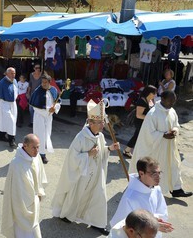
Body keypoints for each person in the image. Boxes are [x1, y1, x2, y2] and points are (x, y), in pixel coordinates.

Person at [51, 99, 120, 236]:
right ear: (90, 122)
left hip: (96, 175)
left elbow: (101, 151)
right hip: (82, 174)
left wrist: (109, 148)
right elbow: (72, 158)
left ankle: (98, 223)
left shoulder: (99, 136)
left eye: (102, 122)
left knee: (99, 195)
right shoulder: (81, 137)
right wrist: (88, 154)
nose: (103, 126)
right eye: (100, 123)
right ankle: (67, 214)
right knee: (77, 195)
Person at [129, 90, 192, 197]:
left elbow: (176, 124)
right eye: (170, 101)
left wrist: (175, 131)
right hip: (157, 149)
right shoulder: (153, 113)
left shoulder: (171, 111)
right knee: (157, 170)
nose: (172, 103)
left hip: (170, 147)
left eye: (174, 101)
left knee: (174, 166)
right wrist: (163, 135)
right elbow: (148, 133)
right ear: (162, 99)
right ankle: (150, 189)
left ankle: (176, 189)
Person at [110, 157, 173, 236]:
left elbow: (162, 211)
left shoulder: (156, 189)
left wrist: (156, 220)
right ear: (141, 173)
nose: (158, 177)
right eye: (154, 173)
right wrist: (153, 225)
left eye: (159, 173)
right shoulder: (130, 197)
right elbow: (123, 226)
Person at [1, 134, 47, 238]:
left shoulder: (36, 157)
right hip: (21, 208)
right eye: (33, 147)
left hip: (34, 202)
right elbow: (17, 192)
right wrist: (33, 200)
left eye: (38, 147)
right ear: (25, 146)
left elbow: (40, 177)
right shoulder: (17, 164)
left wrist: (39, 193)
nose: (36, 150)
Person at [29, 73, 60, 164]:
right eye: (42, 82)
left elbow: (58, 102)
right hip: (40, 117)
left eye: (45, 82)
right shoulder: (38, 91)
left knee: (47, 135)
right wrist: (47, 110)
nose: (43, 84)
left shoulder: (53, 90)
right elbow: (35, 107)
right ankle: (41, 155)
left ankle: (42, 152)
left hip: (49, 118)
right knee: (40, 136)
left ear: (50, 82)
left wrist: (55, 108)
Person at [124, 85, 157, 158]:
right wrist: (150, 118)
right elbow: (138, 115)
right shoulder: (142, 101)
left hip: (147, 122)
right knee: (141, 137)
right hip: (140, 122)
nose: (155, 95)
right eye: (154, 93)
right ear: (149, 93)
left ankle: (127, 150)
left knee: (137, 136)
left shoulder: (151, 100)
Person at [0, 67, 18, 147]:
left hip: (13, 103)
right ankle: (11, 140)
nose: (13, 75)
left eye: (14, 73)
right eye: (11, 73)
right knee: (10, 120)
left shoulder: (14, 81)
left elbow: (16, 90)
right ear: (7, 73)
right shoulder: (2, 83)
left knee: (7, 121)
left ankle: (1, 136)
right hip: (4, 104)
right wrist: (1, 103)